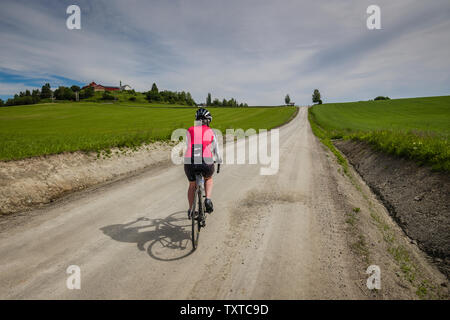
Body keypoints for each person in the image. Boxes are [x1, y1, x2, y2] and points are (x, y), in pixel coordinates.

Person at [184, 108, 222, 218]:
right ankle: (208, 199)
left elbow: (188, 145)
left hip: (190, 160)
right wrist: (219, 160)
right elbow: (216, 150)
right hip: (206, 160)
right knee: (208, 178)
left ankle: (191, 210)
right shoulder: (211, 131)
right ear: (208, 121)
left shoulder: (189, 130)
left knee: (192, 185)